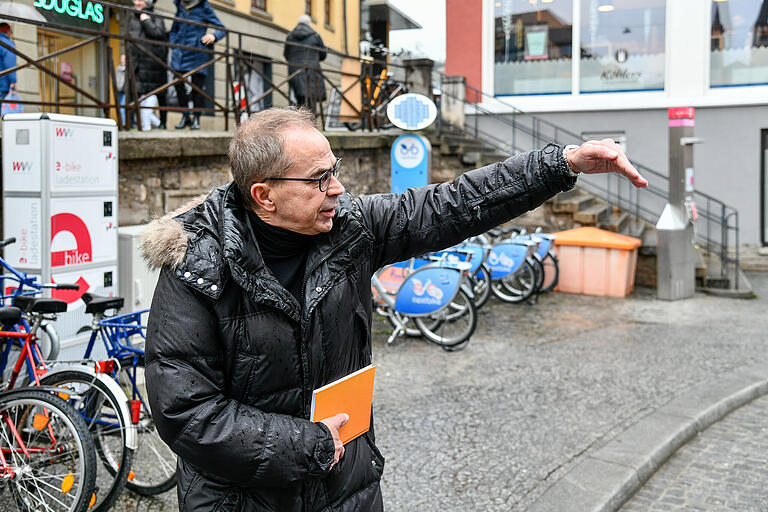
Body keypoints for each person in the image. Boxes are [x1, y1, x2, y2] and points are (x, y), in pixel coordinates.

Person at [141, 107, 647, 511]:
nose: (337, 188)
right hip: (240, 500)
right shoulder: (196, 266)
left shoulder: (350, 229)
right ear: (264, 195)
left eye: (335, 170)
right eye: (319, 179)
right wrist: (308, 443)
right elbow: (185, 412)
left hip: (347, 491)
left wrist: (561, 164)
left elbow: (452, 204)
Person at [169, 0, 225, 130]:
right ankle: (185, 116)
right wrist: (174, 42)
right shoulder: (179, 5)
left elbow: (222, 29)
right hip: (180, 53)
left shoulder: (204, 7)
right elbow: (174, 29)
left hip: (197, 54)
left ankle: (197, 119)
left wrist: (213, 36)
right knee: (177, 83)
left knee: (197, 88)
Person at [126, 0, 169, 129]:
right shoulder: (131, 17)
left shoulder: (156, 16)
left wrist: (146, 21)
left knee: (160, 94)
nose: (137, 3)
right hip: (136, 62)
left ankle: (163, 123)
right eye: (136, 0)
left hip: (154, 63)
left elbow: (159, 34)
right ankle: (130, 123)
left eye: (141, 0)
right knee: (133, 93)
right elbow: (127, 37)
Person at [284, 14, 327, 110]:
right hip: (311, 73)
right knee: (310, 103)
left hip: (294, 72)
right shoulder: (315, 36)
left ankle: (298, 118)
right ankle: (310, 120)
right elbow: (323, 55)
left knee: (298, 100)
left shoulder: (290, 36)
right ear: (309, 24)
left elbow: (286, 55)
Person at [0, 23, 17, 101]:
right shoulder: (7, 44)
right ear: (7, 32)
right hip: (3, 85)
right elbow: (9, 63)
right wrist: (13, 81)